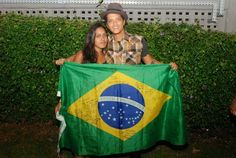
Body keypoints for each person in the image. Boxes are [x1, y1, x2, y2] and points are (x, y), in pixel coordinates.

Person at [55, 22, 108, 158]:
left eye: (104, 35)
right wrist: (61, 101)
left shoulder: (109, 56)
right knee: (80, 140)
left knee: (95, 139)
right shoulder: (83, 55)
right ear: (92, 38)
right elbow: (70, 78)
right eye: (98, 36)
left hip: (99, 103)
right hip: (81, 103)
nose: (102, 39)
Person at [100, 2, 178, 69]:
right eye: (110, 21)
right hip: (112, 85)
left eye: (118, 19)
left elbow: (150, 62)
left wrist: (167, 66)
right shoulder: (104, 42)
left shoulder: (138, 41)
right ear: (107, 25)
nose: (114, 24)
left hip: (132, 85)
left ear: (123, 22)